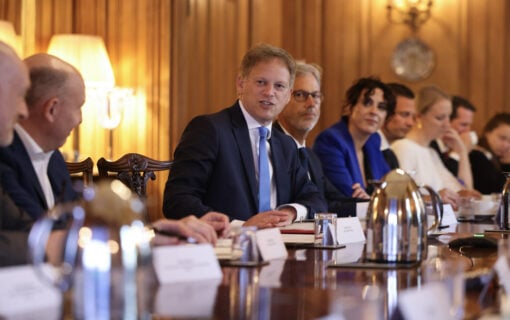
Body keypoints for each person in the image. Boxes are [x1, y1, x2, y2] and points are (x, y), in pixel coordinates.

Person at [162, 44, 327, 227]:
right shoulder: (209, 130)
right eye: (261, 82)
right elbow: (178, 201)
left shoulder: (286, 144)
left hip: (279, 247)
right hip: (226, 247)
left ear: (287, 96)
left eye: (279, 86)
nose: (269, 92)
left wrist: (291, 211)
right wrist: (242, 227)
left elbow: (315, 198)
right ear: (241, 84)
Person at [0, 53, 84, 220]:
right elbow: (35, 229)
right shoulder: (4, 155)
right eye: (79, 107)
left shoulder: (54, 157)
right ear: (52, 109)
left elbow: (76, 219)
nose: (80, 120)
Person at [274, 62, 357, 217]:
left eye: (316, 95)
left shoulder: (310, 156)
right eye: (300, 95)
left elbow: (327, 201)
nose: (311, 104)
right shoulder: (269, 146)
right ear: (282, 97)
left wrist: (365, 204)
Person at [391, 86, 480, 210]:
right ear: (418, 117)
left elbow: (464, 191)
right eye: (440, 118)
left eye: (448, 117)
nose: (447, 124)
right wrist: (435, 198)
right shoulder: (403, 148)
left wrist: (462, 152)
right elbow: (398, 200)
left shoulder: (431, 152)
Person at [313, 77, 395, 199]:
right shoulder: (330, 141)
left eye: (381, 107)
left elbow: (390, 188)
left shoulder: (374, 140)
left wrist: (371, 199)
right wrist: (375, 201)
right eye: (367, 103)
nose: (374, 112)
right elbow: (348, 195)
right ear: (349, 107)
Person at [430, 95, 477, 177]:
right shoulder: (430, 147)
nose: (468, 131)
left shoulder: (473, 152)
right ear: (448, 121)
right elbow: (446, 181)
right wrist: (458, 153)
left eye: (469, 125)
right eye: (463, 124)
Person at [469, 113, 510, 194]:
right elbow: (497, 190)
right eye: (502, 138)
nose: (506, 145)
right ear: (487, 132)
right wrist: (507, 164)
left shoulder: (495, 157)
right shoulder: (477, 154)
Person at [379, 83, 416, 169]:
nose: (410, 123)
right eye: (404, 114)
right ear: (385, 112)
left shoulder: (390, 153)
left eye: (413, 117)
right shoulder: (367, 148)